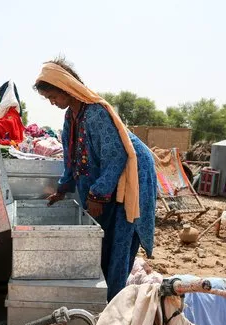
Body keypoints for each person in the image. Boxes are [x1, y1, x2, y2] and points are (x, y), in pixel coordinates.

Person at [34, 57, 157, 301]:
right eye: (49, 99)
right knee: (103, 236)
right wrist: (63, 188)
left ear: (66, 88)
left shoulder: (96, 113)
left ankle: (112, 300)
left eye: (54, 96)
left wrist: (97, 195)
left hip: (132, 173)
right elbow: (71, 156)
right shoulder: (71, 117)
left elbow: (117, 155)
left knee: (118, 238)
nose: (53, 102)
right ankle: (102, 294)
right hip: (110, 177)